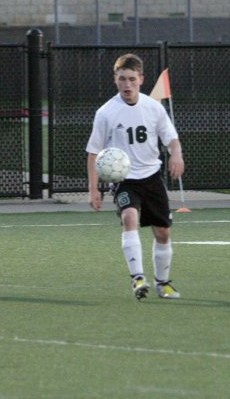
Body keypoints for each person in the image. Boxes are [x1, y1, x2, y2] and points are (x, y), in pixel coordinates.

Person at [86, 54, 185, 300]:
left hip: (151, 177)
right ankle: (138, 278)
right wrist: (93, 188)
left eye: (132, 79)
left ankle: (164, 283)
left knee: (162, 232)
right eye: (122, 79)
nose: (127, 85)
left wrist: (177, 155)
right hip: (124, 181)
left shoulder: (153, 107)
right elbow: (93, 152)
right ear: (115, 80)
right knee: (130, 217)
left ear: (141, 79)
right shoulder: (106, 113)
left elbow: (170, 137)